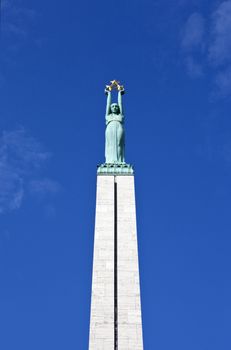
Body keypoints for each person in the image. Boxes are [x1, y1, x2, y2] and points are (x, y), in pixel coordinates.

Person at [105, 89, 125, 164]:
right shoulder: (108, 115)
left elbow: (120, 104)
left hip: (119, 127)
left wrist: (119, 93)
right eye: (112, 106)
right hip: (110, 127)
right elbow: (107, 104)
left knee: (119, 143)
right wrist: (109, 94)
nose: (114, 107)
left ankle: (119, 161)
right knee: (110, 144)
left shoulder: (120, 115)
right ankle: (109, 161)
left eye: (116, 106)